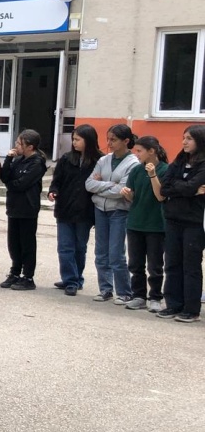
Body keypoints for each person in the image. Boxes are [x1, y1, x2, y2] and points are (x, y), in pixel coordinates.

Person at [155, 125, 205, 322]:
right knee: (172, 263)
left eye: (189, 138)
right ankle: (173, 304)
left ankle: (191, 309)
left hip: (194, 222)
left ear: (200, 141)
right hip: (173, 219)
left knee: (190, 265)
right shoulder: (179, 161)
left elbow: (190, 186)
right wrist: (188, 189)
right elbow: (165, 187)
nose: (184, 142)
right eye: (183, 137)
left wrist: (186, 188)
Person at [86, 124, 140, 304]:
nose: (109, 143)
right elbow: (89, 184)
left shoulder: (133, 163)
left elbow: (121, 191)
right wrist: (110, 186)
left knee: (116, 253)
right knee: (101, 252)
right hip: (100, 209)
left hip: (119, 210)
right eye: (108, 139)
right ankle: (105, 289)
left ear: (126, 141)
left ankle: (124, 291)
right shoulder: (104, 160)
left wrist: (101, 187)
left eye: (113, 140)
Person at [49, 124, 101, 296]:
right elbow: (57, 181)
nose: (74, 142)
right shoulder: (66, 158)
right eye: (73, 139)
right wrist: (53, 191)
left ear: (89, 140)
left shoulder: (99, 161)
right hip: (65, 209)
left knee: (80, 247)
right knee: (65, 247)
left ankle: (77, 278)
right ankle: (70, 280)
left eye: (78, 139)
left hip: (85, 212)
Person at [120, 136, 169, 312]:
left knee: (155, 265)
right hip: (135, 223)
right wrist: (127, 194)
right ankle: (138, 295)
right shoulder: (135, 171)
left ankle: (155, 297)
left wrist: (152, 174)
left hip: (156, 224)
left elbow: (161, 196)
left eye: (139, 151)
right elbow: (133, 196)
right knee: (135, 263)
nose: (136, 154)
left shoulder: (165, 170)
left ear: (151, 151)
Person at [0, 129, 48, 291]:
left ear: (30, 146)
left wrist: (11, 185)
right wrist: (8, 159)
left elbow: (21, 183)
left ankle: (28, 276)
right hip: (14, 207)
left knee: (27, 243)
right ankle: (15, 271)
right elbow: (5, 177)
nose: (16, 146)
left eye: (19, 144)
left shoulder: (37, 162)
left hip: (28, 208)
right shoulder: (18, 159)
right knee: (14, 242)